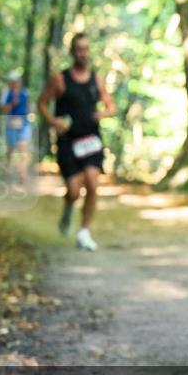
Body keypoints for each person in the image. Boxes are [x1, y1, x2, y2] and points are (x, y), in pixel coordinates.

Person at [37, 33, 116, 251]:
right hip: (68, 143)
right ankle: (68, 209)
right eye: (79, 49)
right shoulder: (60, 79)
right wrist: (53, 121)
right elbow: (42, 103)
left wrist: (104, 114)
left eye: (86, 49)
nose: (83, 53)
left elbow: (111, 106)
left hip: (91, 141)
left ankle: (84, 232)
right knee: (73, 191)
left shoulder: (96, 80)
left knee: (92, 183)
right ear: (73, 52)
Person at [0, 70, 32, 184]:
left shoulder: (25, 92)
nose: (15, 83)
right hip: (11, 124)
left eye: (17, 81)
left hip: (24, 123)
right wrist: (12, 103)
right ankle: (6, 169)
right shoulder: (6, 93)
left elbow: (29, 106)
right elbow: (3, 110)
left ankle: (23, 175)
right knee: (11, 150)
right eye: (13, 81)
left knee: (23, 148)